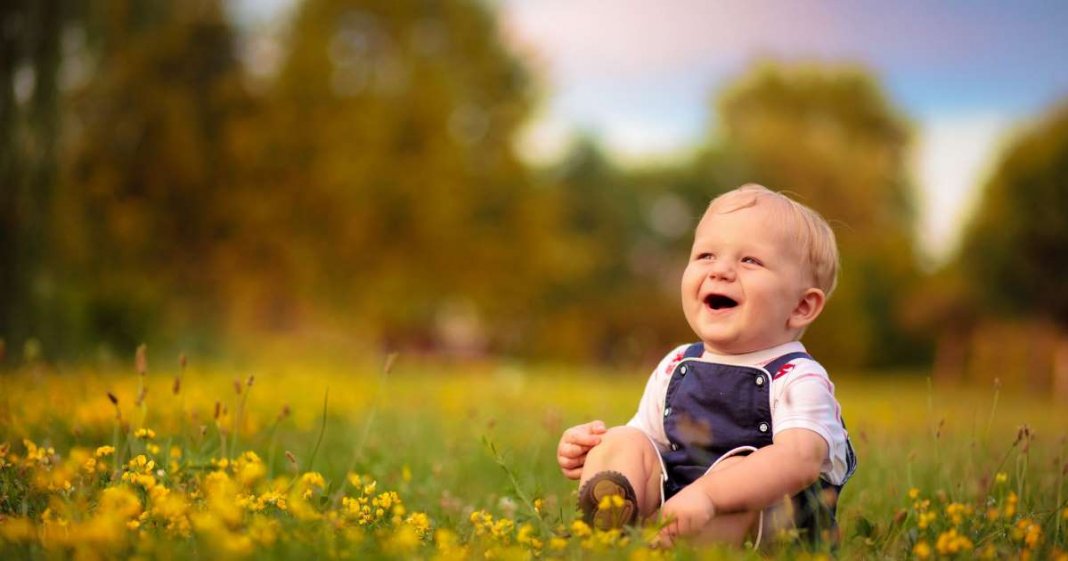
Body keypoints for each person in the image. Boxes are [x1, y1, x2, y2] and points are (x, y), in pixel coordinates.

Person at [556, 184, 857, 547]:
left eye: (750, 261)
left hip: (769, 529)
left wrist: (711, 496)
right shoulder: (677, 364)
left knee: (742, 467)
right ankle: (614, 518)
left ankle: (660, 546)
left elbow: (800, 459)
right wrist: (594, 451)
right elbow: (650, 444)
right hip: (681, 508)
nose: (721, 271)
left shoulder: (797, 378)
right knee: (624, 439)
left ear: (801, 307)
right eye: (706, 256)